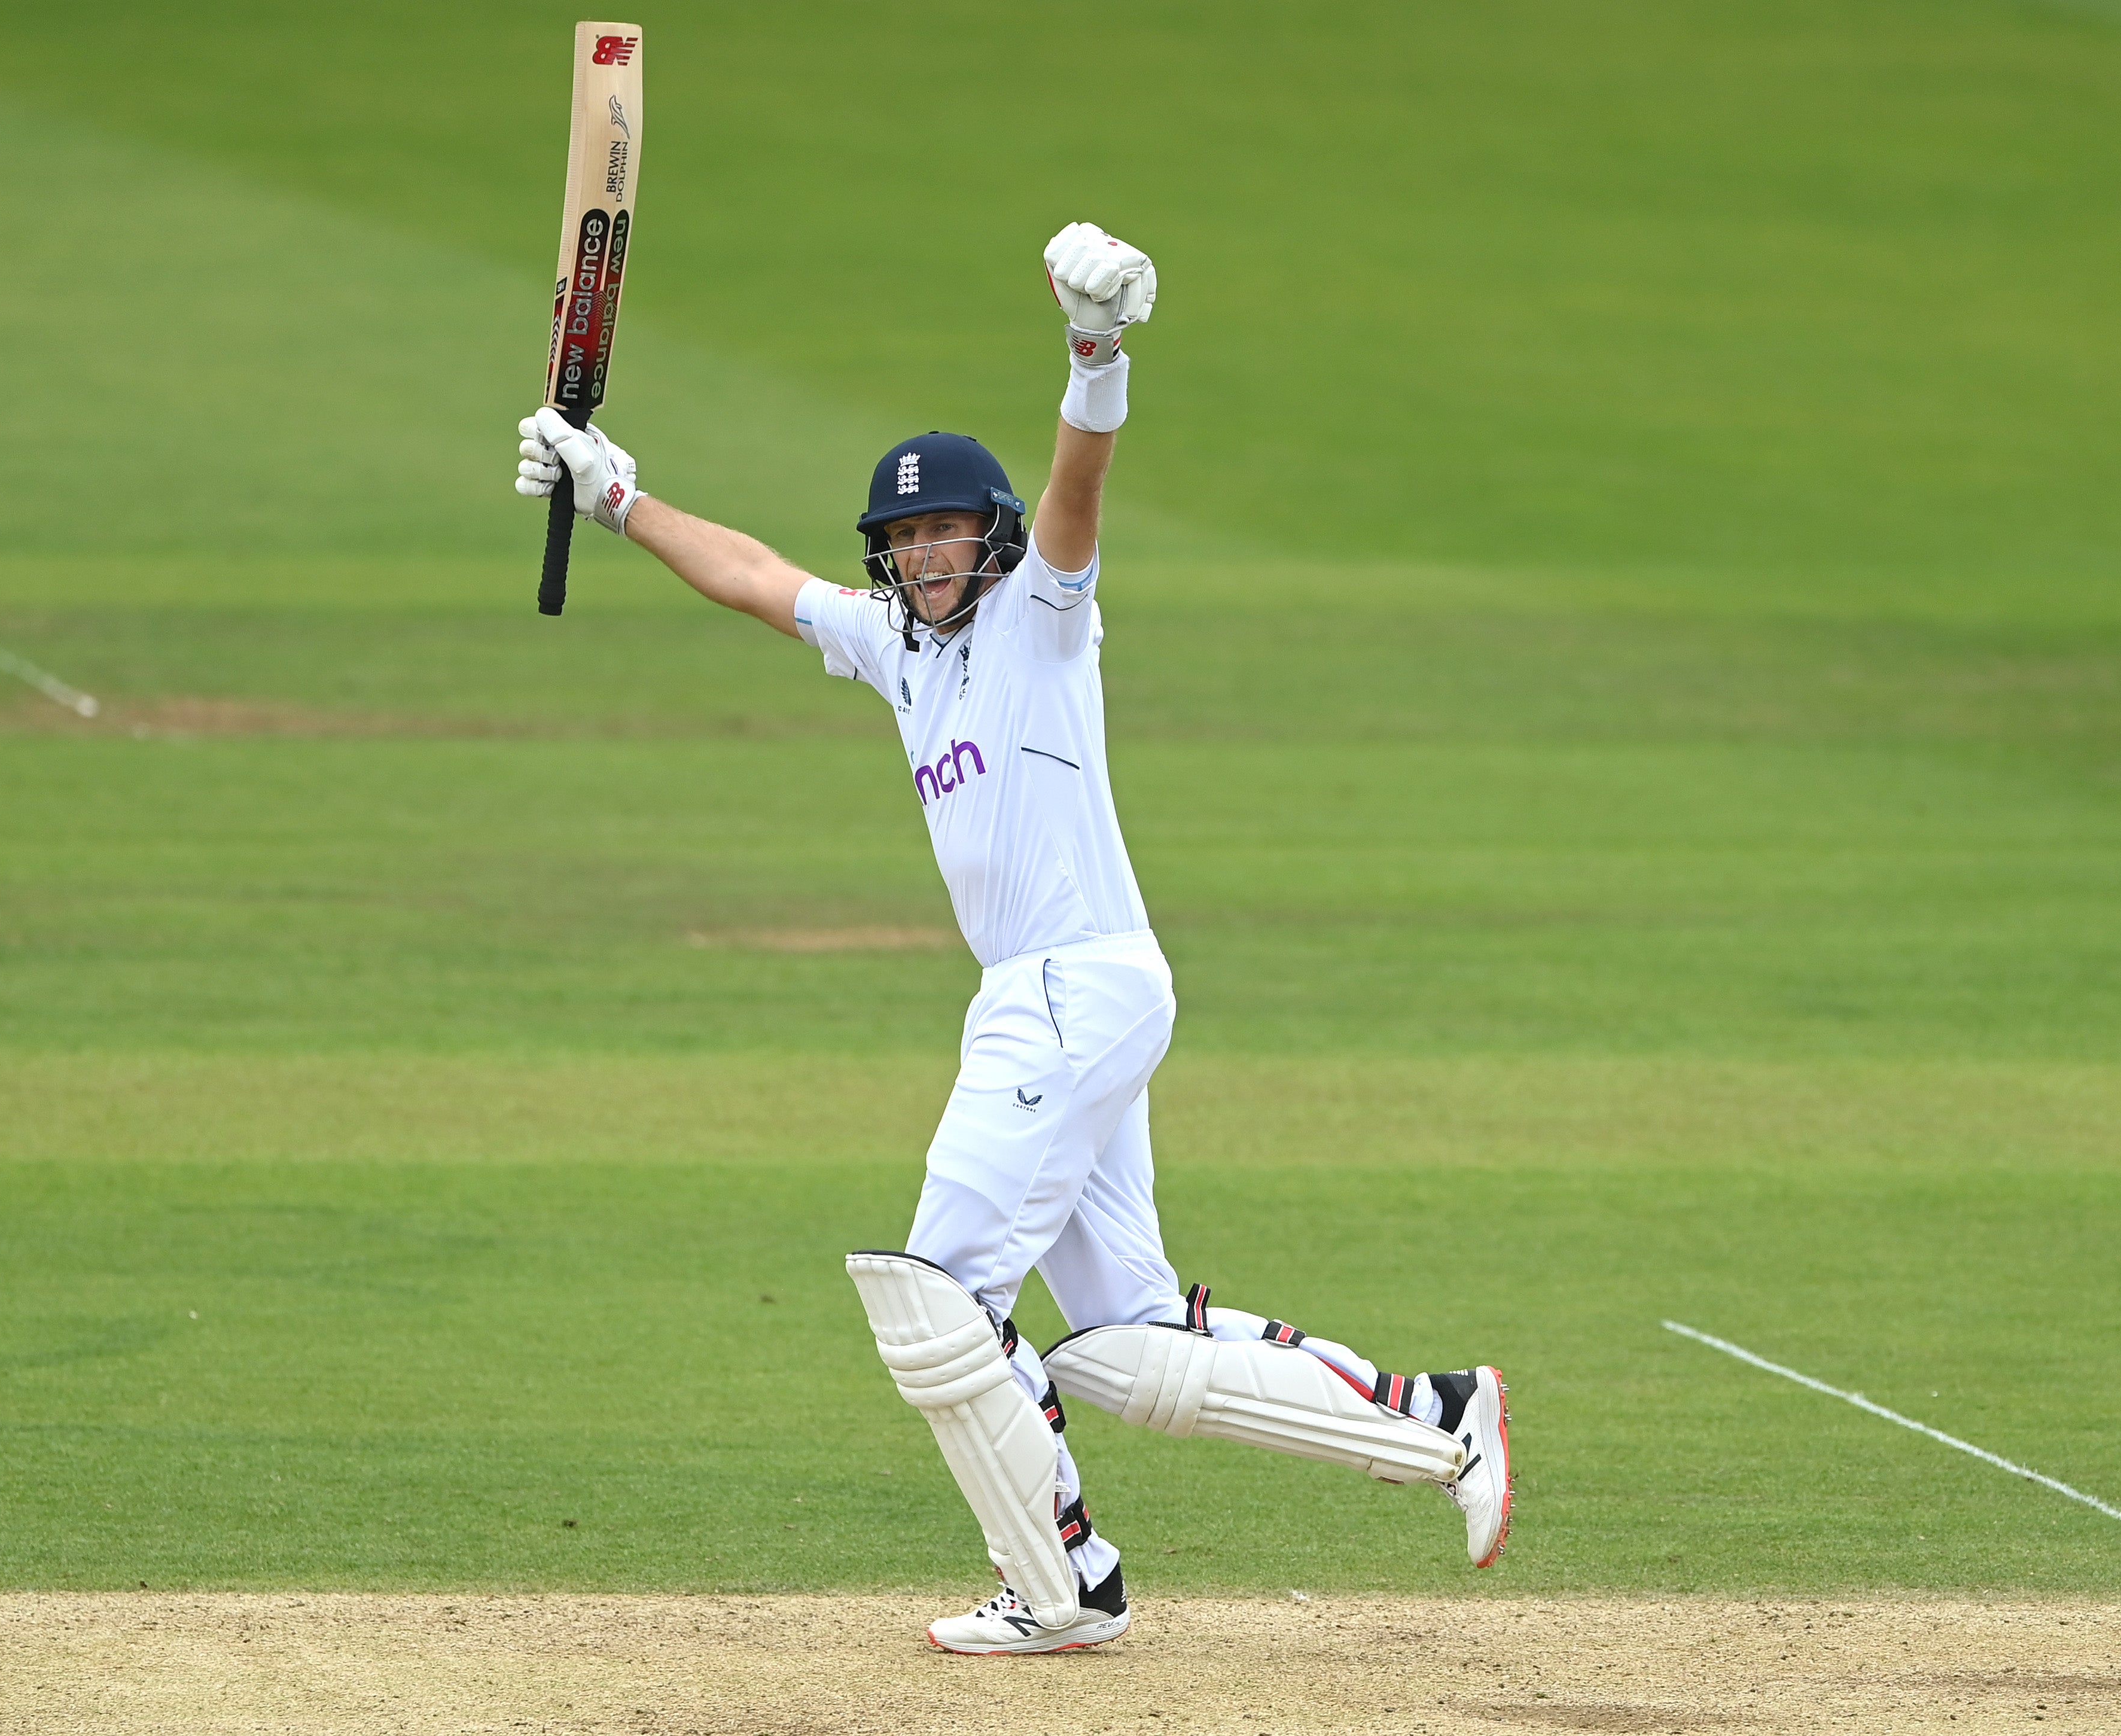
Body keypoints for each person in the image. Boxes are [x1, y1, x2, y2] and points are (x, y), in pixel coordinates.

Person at [514, 223, 1511, 1655]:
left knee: (939, 1295)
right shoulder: (892, 648)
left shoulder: (1043, 616)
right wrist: (618, 496)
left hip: (1069, 990)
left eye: (944, 533)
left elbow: (1078, 492)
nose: (924, 555)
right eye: (903, 537)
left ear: (983, 541)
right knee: (1119, 1340)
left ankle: (1066, 1582)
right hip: (1074, 997)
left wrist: (1092, 355)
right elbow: (748, 574)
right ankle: (1443, 1419)